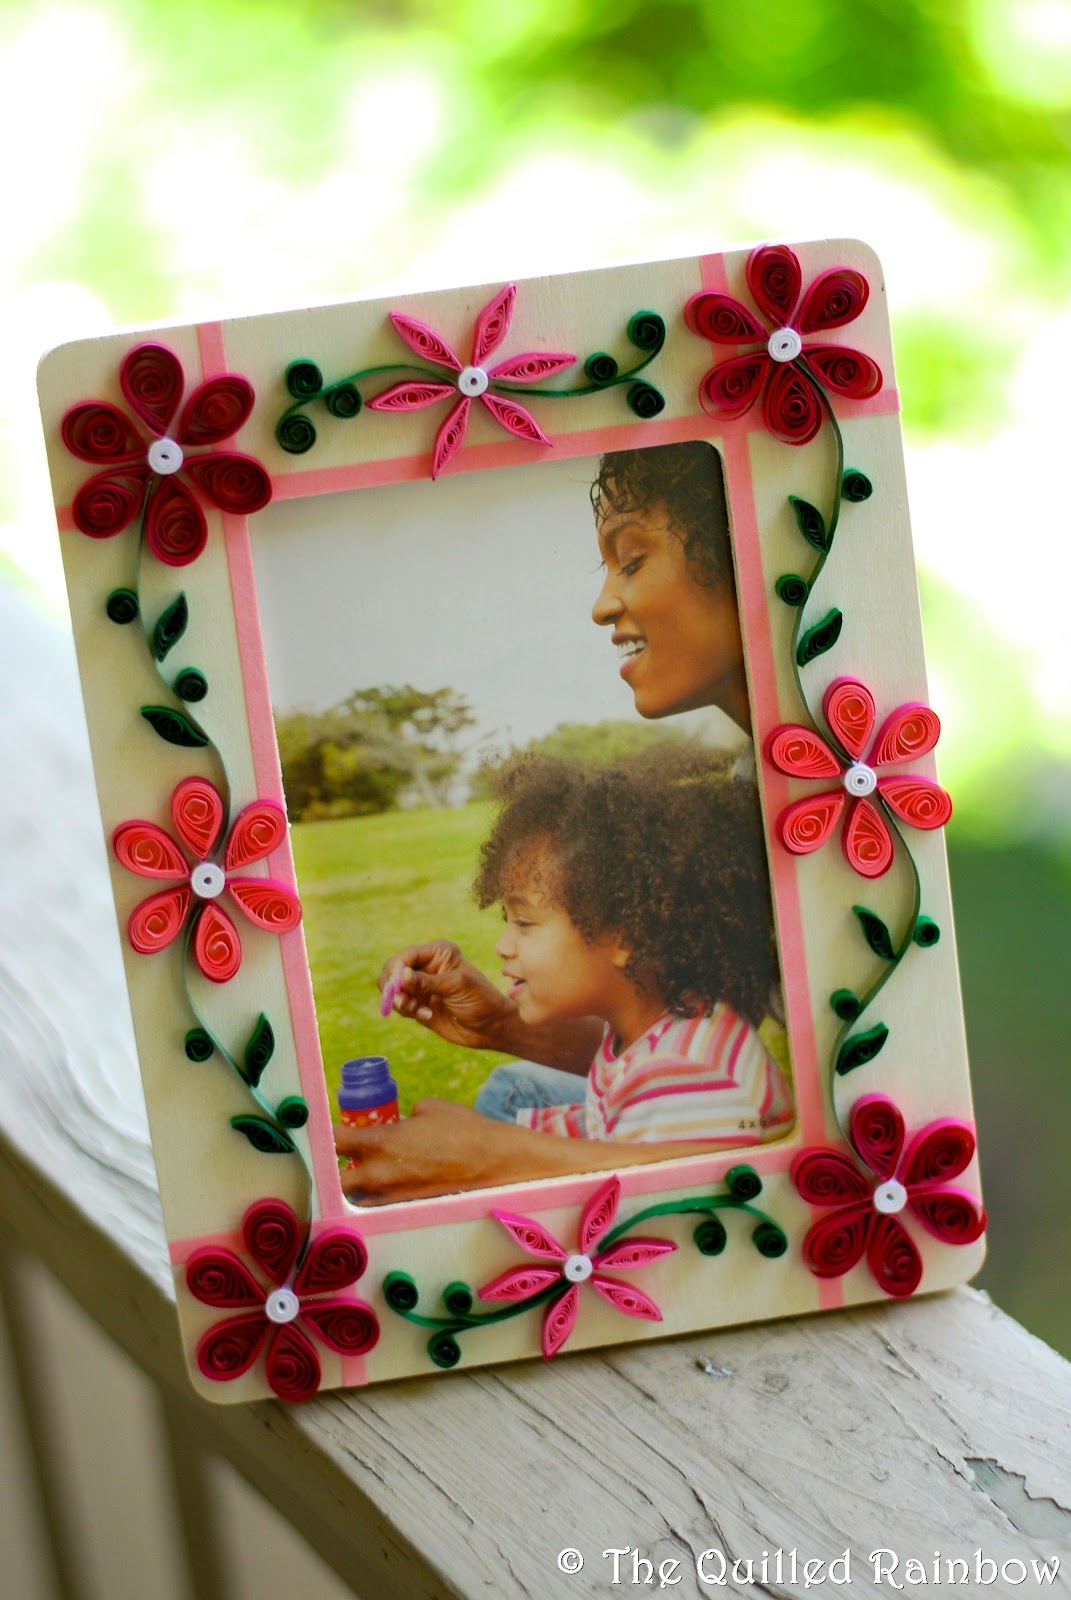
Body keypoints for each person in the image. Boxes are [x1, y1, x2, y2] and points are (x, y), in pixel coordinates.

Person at [335, 442, 772, 1199]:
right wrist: (501, 1026)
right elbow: (645, 1071)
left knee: (507, 1110)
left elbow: (732, 1188)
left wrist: (491, 1160)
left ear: (754, 553)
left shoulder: (836, 795)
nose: (601, 605)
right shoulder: (754, 783)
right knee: (512, 1090)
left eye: (630, 560)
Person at [470, 754, 791, 1147]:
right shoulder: (647, 1029)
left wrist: (486, 1154)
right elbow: (599, 1127)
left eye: (524, 923)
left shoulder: (677, 1078)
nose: (502, 946)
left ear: (624, 938)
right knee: (504, 1092)